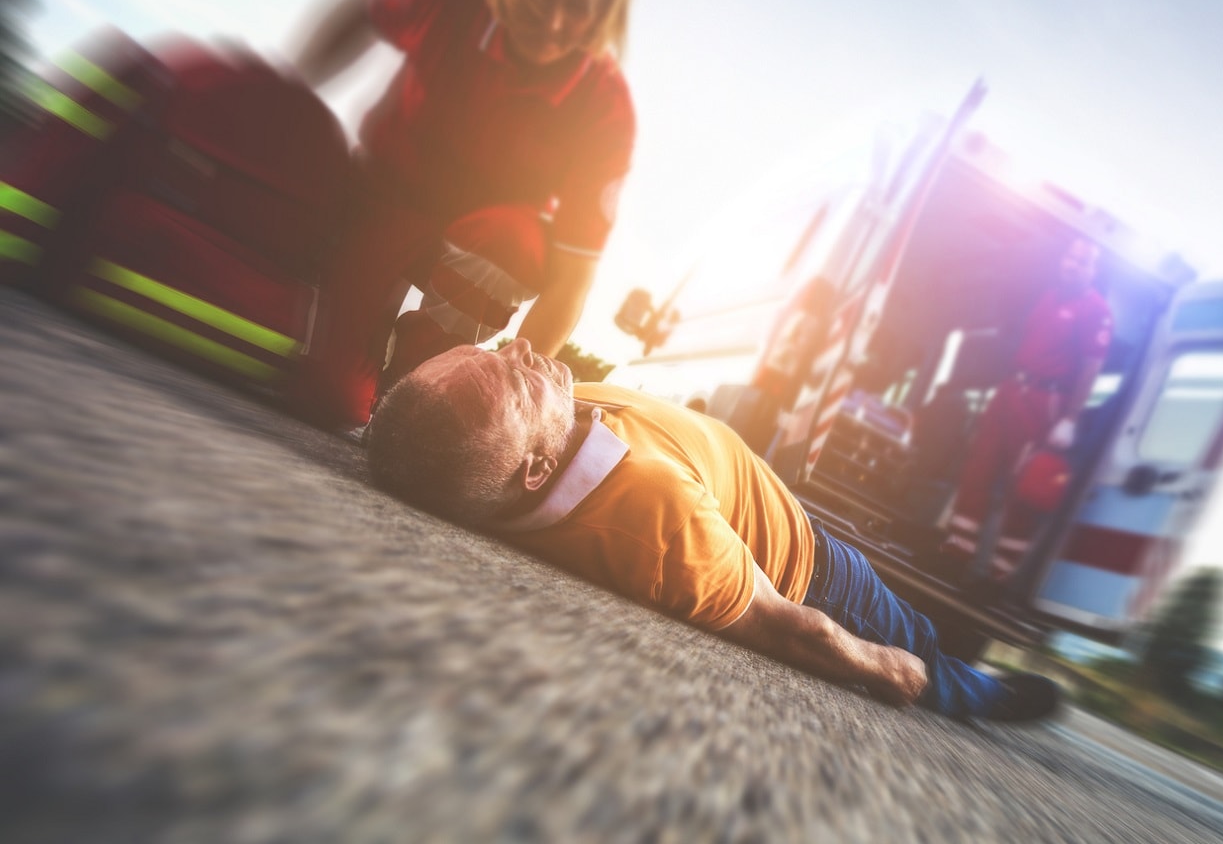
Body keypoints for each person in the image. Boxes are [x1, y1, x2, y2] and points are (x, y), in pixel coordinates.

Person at [364, 340, 1063, 723]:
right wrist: (884, 668)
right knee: (923, 647)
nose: (518, 347)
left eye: (484, 351)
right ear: (537, 469)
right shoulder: (652, 515)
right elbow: (787, 625)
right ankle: (986, 693)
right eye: (516, 384)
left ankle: (966, 672)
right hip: (819, 575)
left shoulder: (533, 445)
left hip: (782, 523)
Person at [285, 0, 637, 429]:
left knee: (519, 244)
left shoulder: (605, 107)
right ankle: (356, 352)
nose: (554, 24)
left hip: (482, 243)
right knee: (330, 400)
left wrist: (513, 392)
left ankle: (419, 386)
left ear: (607, 5)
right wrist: (292, 86)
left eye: (578, 6)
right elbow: (363, 7)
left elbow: (573, 280)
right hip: (384, 201)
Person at [944, 237, 1113, 588]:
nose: (1073, 265)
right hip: (1011, 390)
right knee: (981, 463)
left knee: (1024, 485)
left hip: (1045, 400)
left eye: (1083, 262)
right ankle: (956, 549)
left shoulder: (1096, 311)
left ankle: (999, 573)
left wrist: (1069, 418)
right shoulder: (1049, 297)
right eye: (1070, 257)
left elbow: (1091, 367)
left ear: (1094, 271)